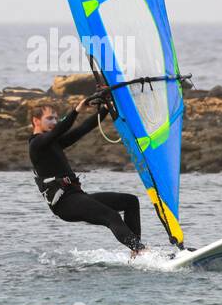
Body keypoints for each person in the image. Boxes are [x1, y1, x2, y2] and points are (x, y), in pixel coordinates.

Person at [28, 99, 146, 255]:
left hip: (77, 196)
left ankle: (136, 253)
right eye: (49, 118)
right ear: (36, 121)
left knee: (130, 201)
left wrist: (105, 108)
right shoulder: (36, 144)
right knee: (111, 216)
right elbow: (59, 130)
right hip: (65, 204)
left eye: (56, 118)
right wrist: (77, 110)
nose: (54, 122)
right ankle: (141, 251)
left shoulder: (53, 143)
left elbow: (83, 129)